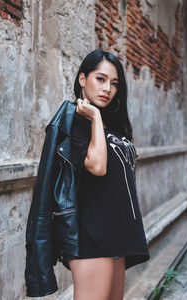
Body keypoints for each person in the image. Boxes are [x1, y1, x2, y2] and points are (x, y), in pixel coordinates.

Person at [65, 49, 150, 300]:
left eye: (114, 83)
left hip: (117, 233)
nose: (108, 89)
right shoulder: (76, 120)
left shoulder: (110, 123)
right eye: (100, 79)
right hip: (92, 234)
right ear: (83, 79)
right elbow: (97, 166)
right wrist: (93, 116)